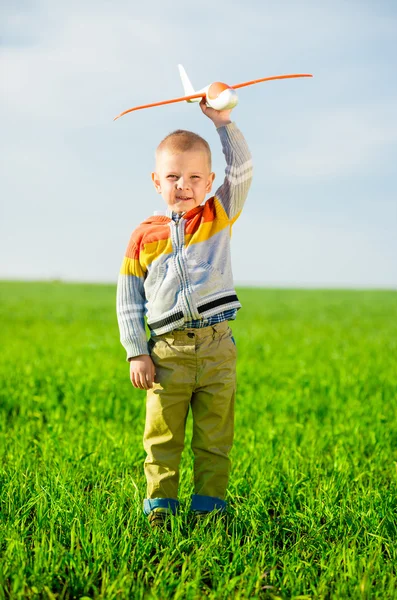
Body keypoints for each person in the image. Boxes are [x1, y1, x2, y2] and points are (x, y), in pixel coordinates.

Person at [116, 98, 252, 528]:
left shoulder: (218, 216)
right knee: (162, 437)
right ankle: (160, 507)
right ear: (157, 181)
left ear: (210, 180)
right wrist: (137, 351)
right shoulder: (144, 235)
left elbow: (243, 171)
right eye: (173, 176)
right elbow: (128, 297)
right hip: (167, 353)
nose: (183, 184)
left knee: (214, 438)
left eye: (195, 177)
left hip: (216, 349)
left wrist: (223, 124)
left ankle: (210, 508)